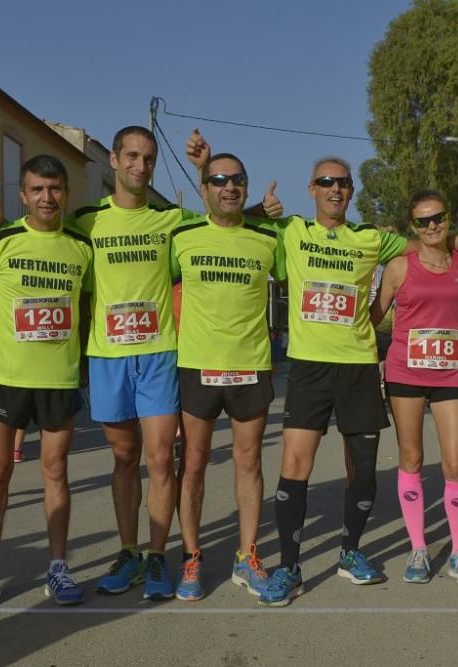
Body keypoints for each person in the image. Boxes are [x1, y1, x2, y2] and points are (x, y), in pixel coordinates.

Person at [0, 126, 281, 601]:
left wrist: (239, 193)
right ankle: (128, 551)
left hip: (160, 354)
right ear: (115, 162)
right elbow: (42, 231)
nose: (141, 166)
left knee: (162, 458)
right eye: (133, 157)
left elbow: (223, 220)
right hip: (107, 357)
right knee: (124, 457)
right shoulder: (85, 221)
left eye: (149, 158)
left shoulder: (171, 222)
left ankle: (160, 557)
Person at [253, 153, 458, 607]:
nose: (335, 189)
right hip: (309, 366)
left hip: (359, 366)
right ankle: (289, 567)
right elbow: (230, 224)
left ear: (351, 191)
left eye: (343, 183)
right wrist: (257, 208)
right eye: (325, 181)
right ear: (311, 189)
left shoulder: (371, 240)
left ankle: (350, 552)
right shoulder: (290, 231)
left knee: (362, 467)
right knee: (295, 465)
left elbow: (431, 244)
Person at [0, 155, 94, 610]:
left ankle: (58, 567)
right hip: (5, 377)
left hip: (59, 380)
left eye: (55, 188)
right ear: (23, 195)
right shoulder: (2, 239)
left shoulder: (82, 247)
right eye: (37, 189)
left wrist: (86, 364)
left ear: (65, 192)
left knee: (55, 472)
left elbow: (88, 309)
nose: (47, 197)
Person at [169, 152, 285, 601]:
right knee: (193, 463)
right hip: (197, 366)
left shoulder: (267, 240)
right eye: (219, 180)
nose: (229, 187)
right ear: (204, 190)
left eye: (238, 179)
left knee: (249, 462)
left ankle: (247, 556)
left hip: (250, 367)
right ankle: (192, 559)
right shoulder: (183, 237)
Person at [370, 190, 458, 586]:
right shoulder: (399, 267)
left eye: (437, 218)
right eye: (422, 221)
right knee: (411, 456)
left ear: (448, 219)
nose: (432, 226)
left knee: (455, 461)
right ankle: (418, 548)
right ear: (412, 227)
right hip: (405, 372)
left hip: (450, 373)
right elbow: (376, 316)